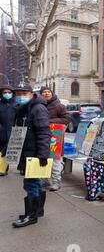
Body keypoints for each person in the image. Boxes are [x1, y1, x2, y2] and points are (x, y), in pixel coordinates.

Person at [11, 82, 51, 228]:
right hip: (26, 151)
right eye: (18, 94)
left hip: (34, 153)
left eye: (24, 93)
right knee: (36, 183)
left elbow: (44, 132)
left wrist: (42, 155)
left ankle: (31, 215)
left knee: (31, 184)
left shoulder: (38, 108)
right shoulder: (23, 108)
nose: (20, 96)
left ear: (31, 94)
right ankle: (37, 210)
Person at [40, 86, 71, 191]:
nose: (46, 94)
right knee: (42, 159)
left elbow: (67, 119)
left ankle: (56, 182)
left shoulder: (59, 106)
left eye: (48, 92)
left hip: (55, 140)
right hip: (42, 138)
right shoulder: (39, 105)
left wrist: (50, 121)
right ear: (41, 94)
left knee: (55, 161)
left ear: (52, 93)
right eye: (44, 92)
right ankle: (44, 180)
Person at [0, 84, 17, 176]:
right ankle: (3, 168)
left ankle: (22, 167)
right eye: (5, 92)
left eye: (9, 92)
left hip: (13, 132)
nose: (7, 94)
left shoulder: (16, 104)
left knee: (10, 150)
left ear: (12, 94)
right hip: (1, 132)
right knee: (1, 151)